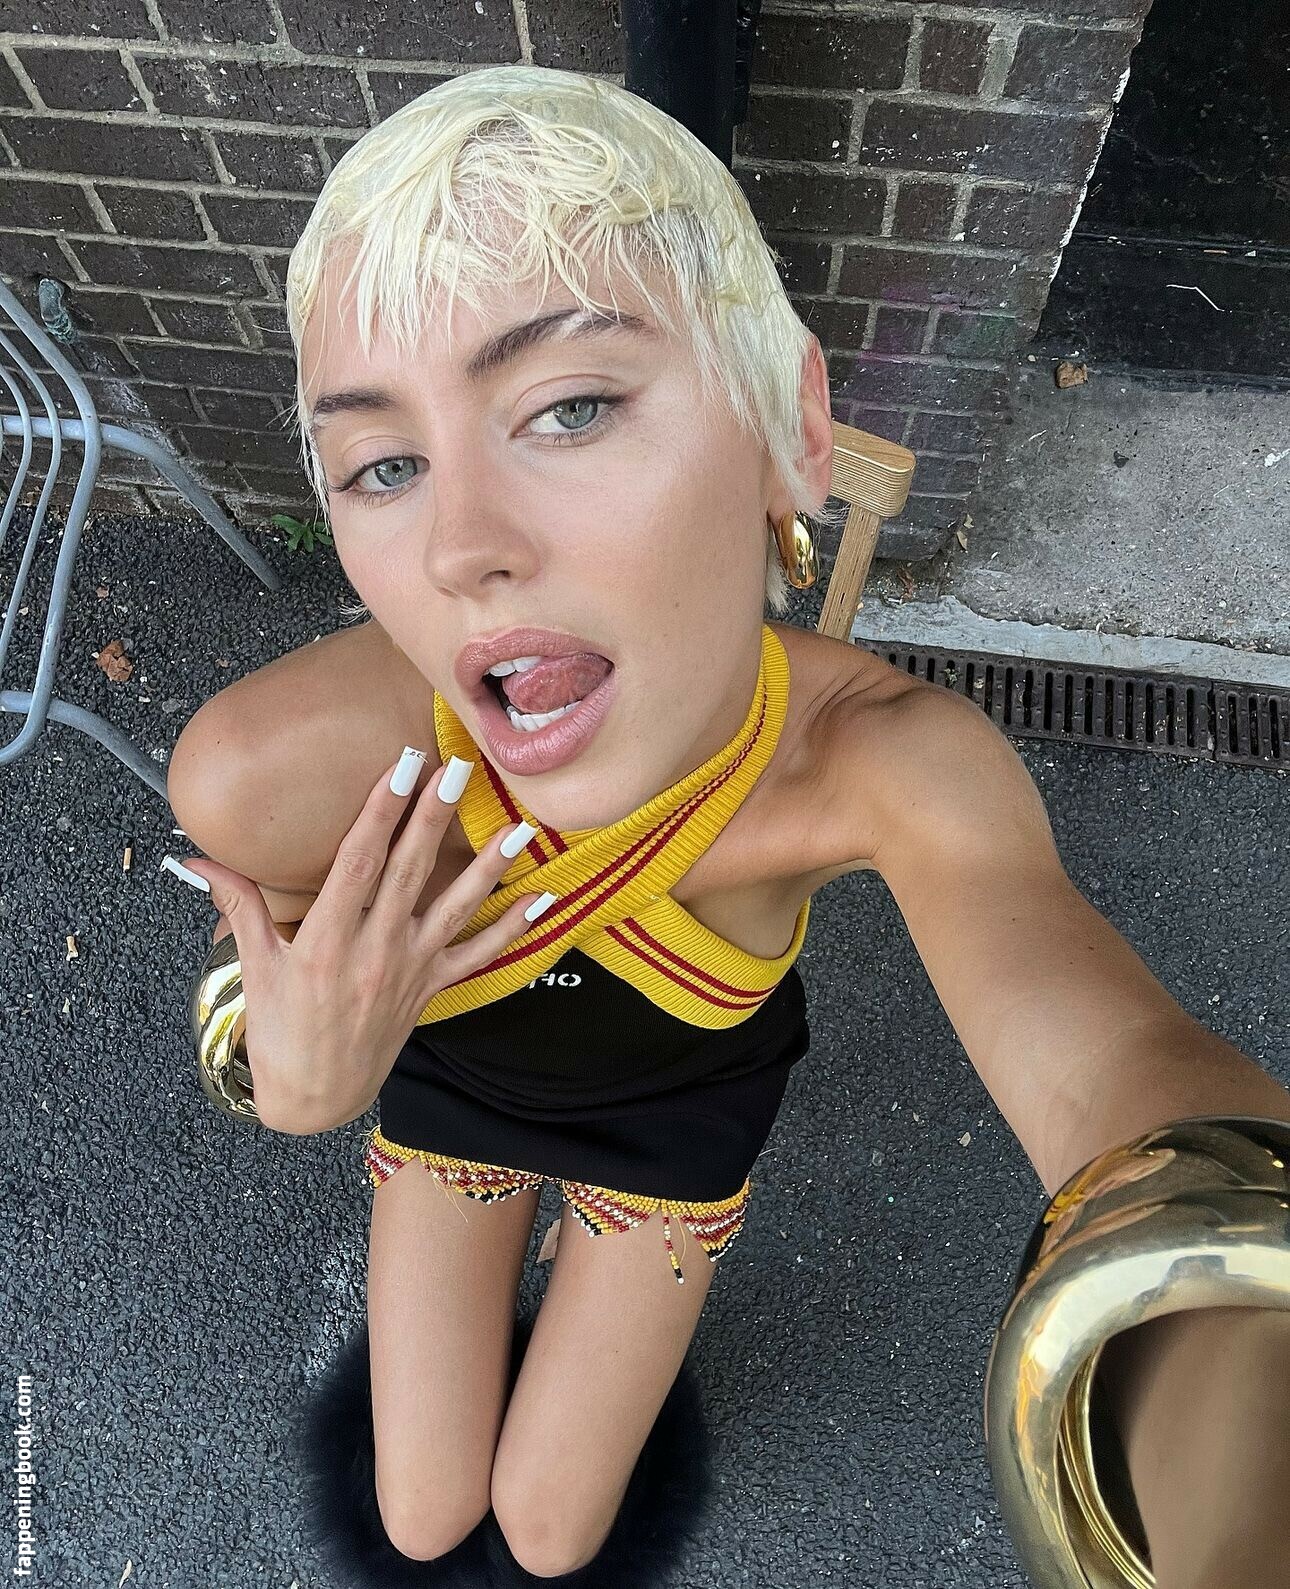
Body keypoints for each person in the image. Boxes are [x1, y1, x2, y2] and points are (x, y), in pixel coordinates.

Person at [163, 64, 1290, 1589]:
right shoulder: (278, 764)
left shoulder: (874, 764)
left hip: (665, 1135)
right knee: (420, 1515)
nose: (461, 548)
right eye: (385, 466)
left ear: (789, 430)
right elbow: (275, 951)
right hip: (457, 1093)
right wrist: (282, 1068)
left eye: (569, 407)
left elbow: (1119, 1081)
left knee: (551, 1529)